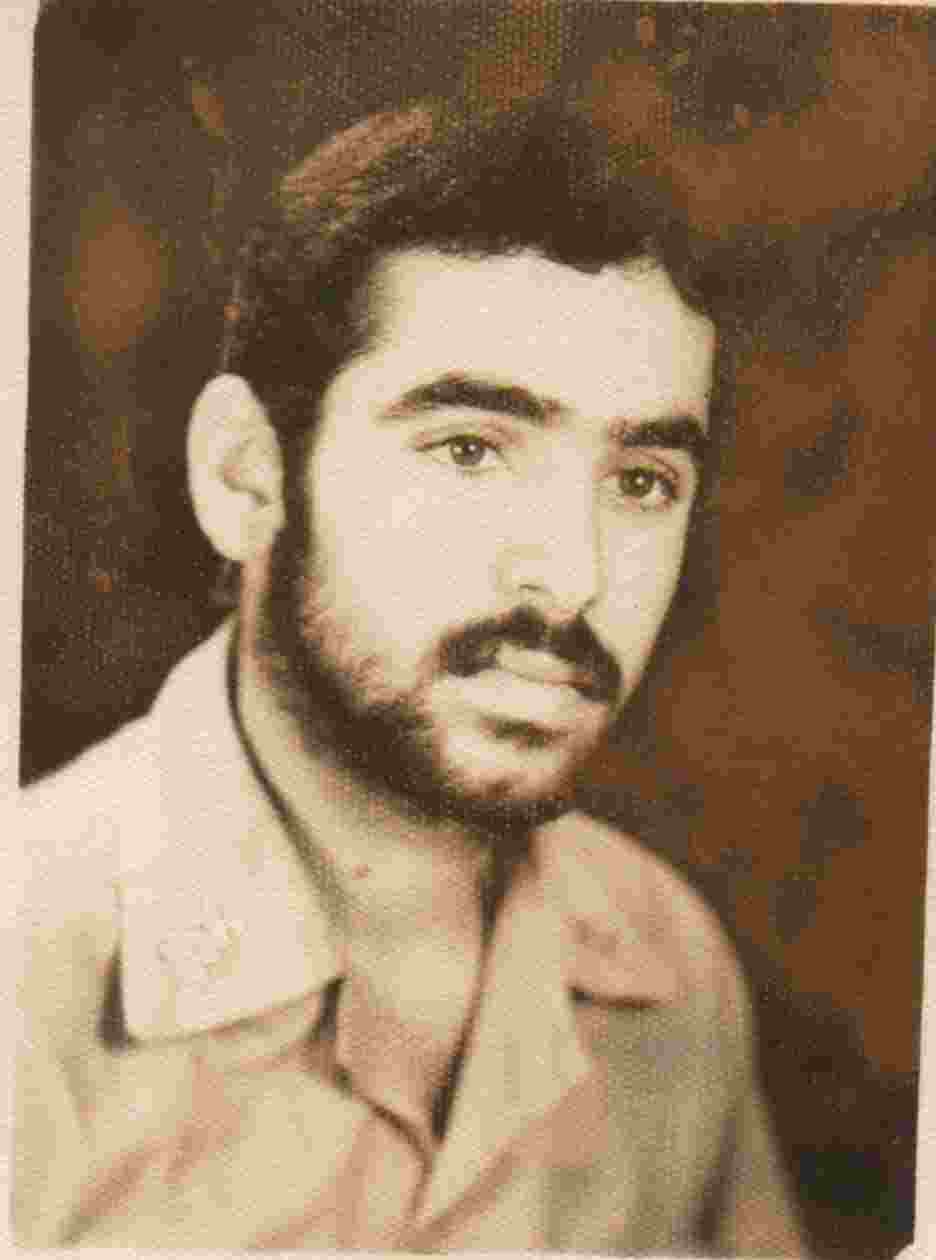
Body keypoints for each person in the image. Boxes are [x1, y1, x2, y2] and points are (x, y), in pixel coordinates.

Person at [15, 99, 807, 1254]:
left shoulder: (668, 968)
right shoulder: (27, 978)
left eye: (641, 481)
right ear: (245, 477)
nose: (573, 578)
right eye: (469, 450)